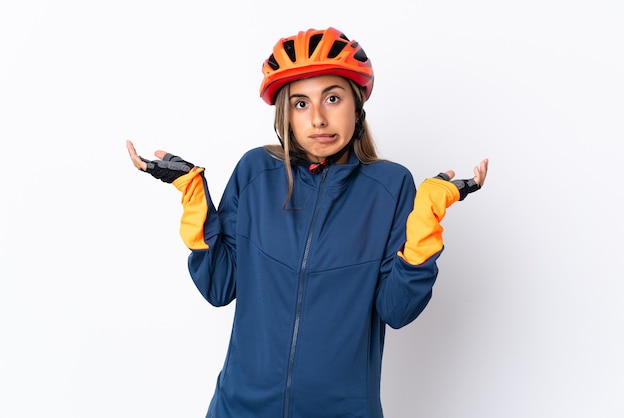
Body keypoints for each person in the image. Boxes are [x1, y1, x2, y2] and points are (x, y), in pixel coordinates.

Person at [126, 27, 488, 418]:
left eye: (332, 98)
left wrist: (425, 223)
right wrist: (195, 196)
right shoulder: (255, 173)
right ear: (286, 114)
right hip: (240, 407)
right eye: (300, 104)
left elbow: (397, 309)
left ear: (357, 106)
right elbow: (219, 285)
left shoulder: (390, 186)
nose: (317, 118)